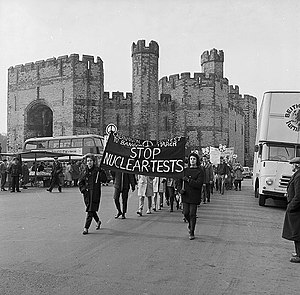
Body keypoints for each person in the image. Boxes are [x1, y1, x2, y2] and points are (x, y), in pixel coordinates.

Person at [78, 154, 107, 235]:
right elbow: (80, 182)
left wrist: (102, 172)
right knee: (91, 209)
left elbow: (104, 180)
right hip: (87, 194)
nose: (89, 162)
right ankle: (98, 221)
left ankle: (86, 228)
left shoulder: (97, 171)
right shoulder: (84, 171)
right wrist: (83, 190)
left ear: (94, 162)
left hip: (94, 193)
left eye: (90, 161)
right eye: (88, 161)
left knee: (90, 210)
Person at [179, 152, 204, 240]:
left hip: (194, 195)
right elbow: (179, 181)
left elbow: (198, 184)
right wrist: (179, 190)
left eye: (194, 159)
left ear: (196, 160)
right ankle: (190, 224)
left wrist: (189, 180)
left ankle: (192, 231)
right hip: (185, 195)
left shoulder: (200, 171)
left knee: (192, 214)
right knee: (186, 213)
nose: (192, 160)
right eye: (191, 159)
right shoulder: (185, 171)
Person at [282, 157, 300, 263]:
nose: (292, 166)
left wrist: (291, 206)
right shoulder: (297, 175)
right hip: (296, 210)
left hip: (297, 210)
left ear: (297, 165)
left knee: (297, 233)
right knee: (295, 232)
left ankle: (299, 255)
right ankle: (297, 252)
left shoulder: (298, 176)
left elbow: (298, 195)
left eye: (293, 164)